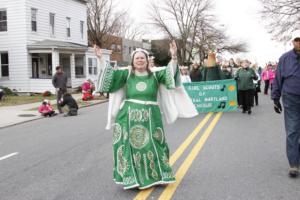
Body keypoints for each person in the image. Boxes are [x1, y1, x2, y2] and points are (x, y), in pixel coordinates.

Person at [94, 41, 198, 189]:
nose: (140, 60)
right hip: (128, 117)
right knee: (129, 147)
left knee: (155, 144)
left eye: (142, 58)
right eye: (137, 58)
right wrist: (100, 59)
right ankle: (132, 179)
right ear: (133, 61)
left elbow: (171, 75)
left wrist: (174, 57)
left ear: (147, 60)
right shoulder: (126, 74)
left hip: (151, 116)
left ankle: (158, 175)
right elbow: (109, 77)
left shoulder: (156, 74)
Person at [271, 30, 300, 178]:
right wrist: (275, 99)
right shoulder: (285, 58)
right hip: (291, 98)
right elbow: (277, 79)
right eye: (297, 40)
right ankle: (294, 164)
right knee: (293, 130)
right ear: (293, 41)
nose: (299, 42)